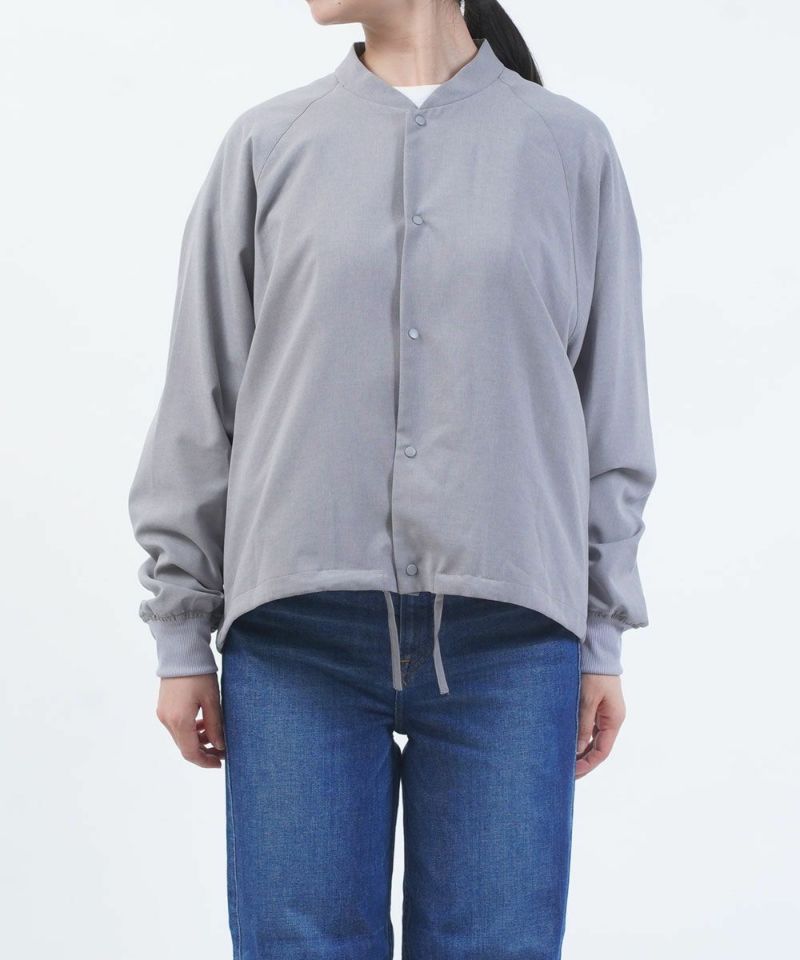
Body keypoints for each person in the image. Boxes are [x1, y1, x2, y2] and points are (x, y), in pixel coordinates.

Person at [128, 1, 657, 956]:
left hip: (511, 639)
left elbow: (609, 408)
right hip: (296, 638)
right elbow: (201, 401)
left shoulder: (569, 149)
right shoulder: (267, 145)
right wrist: (179, 634)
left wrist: (602, 633)